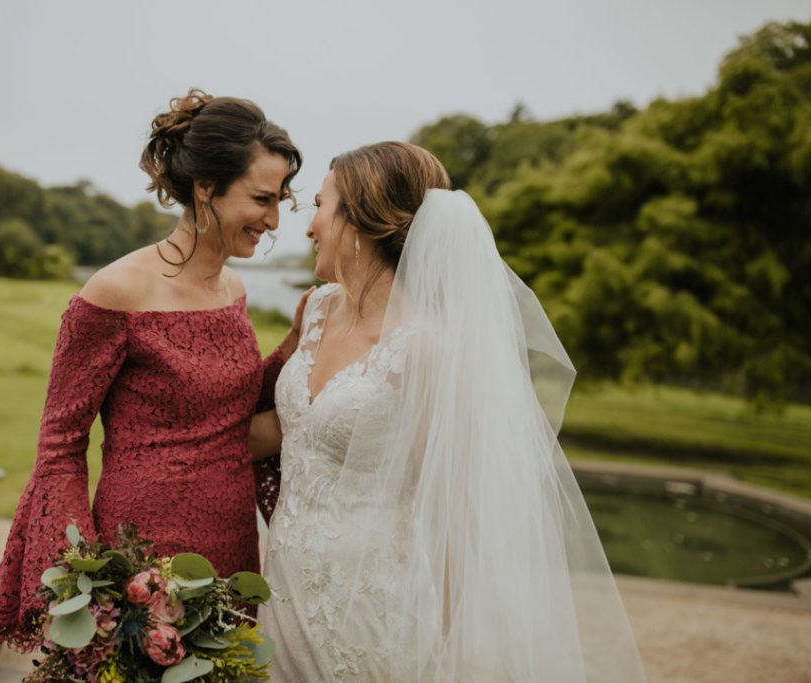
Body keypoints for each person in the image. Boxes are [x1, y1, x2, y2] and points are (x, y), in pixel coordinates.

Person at [250, 142, 646, 681]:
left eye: (320, 205)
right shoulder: (316, 308)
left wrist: (452, 640)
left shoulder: (428, 348)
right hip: (283, 584)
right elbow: (287, 431)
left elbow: (454, 517)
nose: (309, 226)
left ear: (359, 220)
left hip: (369, 608)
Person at [0, 89, 306, 651]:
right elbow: (60, 444)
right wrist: (89, 576)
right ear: (206, 189)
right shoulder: (117, 289)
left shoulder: (233, 287)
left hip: (232, 542)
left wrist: (298, 341)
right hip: (141, 553)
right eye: (261, 199)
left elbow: (233, 408)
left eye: (281, 201)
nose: (274, 220)